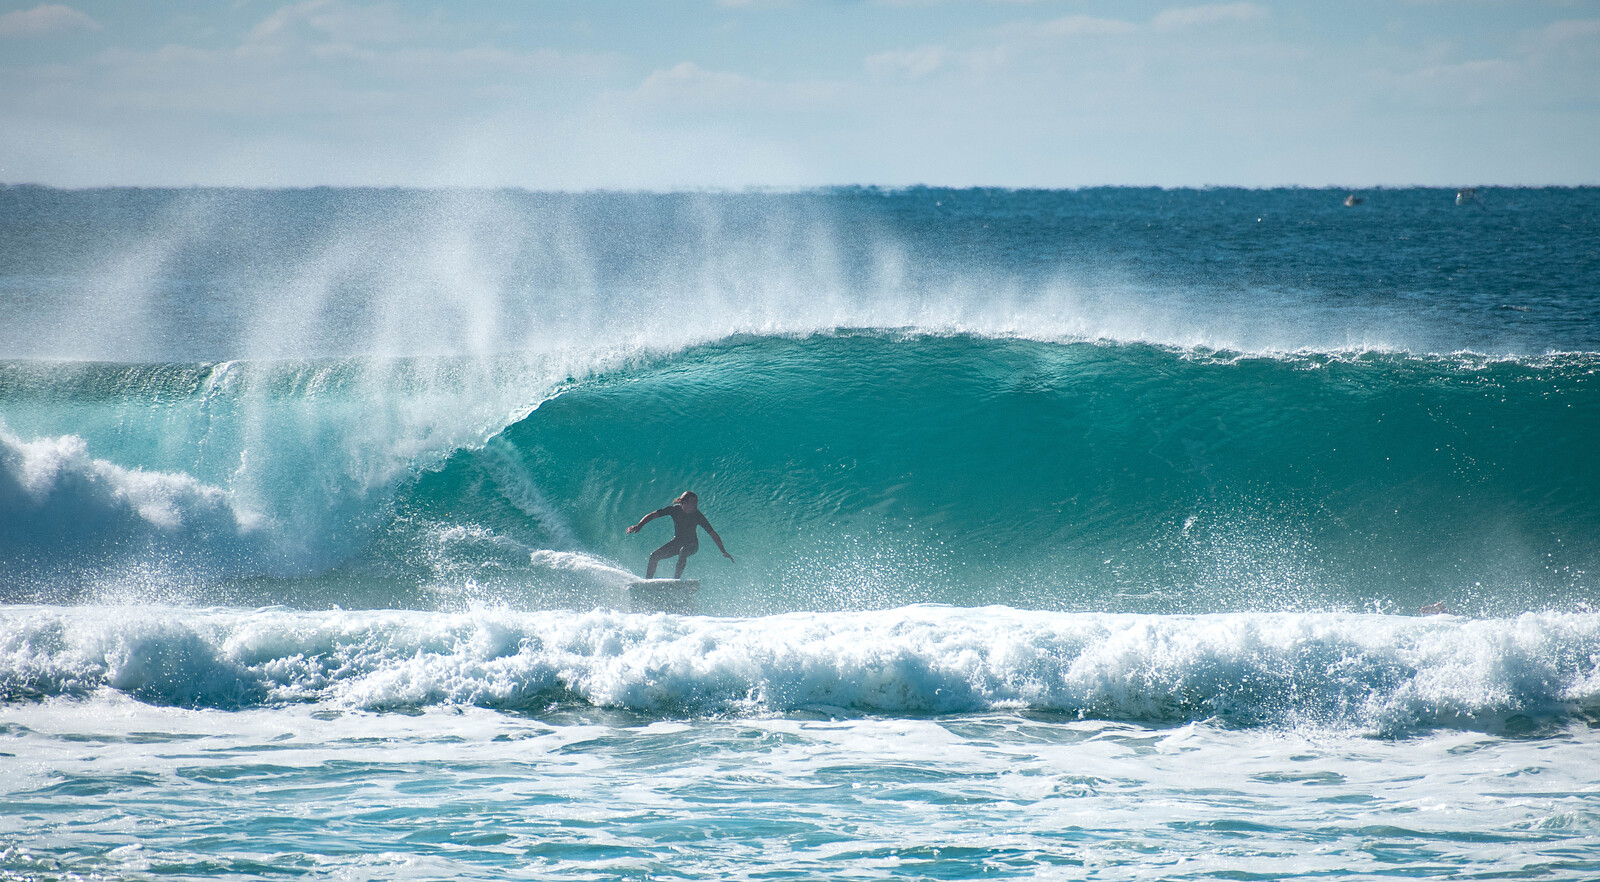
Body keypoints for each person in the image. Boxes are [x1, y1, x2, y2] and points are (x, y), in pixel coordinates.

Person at [625, 491, 733, 579]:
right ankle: (647, 582)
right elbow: (653, 515)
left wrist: (723, 551)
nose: (696, 506)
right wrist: (639, 525)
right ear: (684, 503)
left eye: (696, 503)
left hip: (692, 545)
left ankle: (676, 581)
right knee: (654, 556)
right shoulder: (674, 510)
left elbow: (712, 533)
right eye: (693, 503)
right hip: (677, 542)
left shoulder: (698, 516)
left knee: (683, 551)